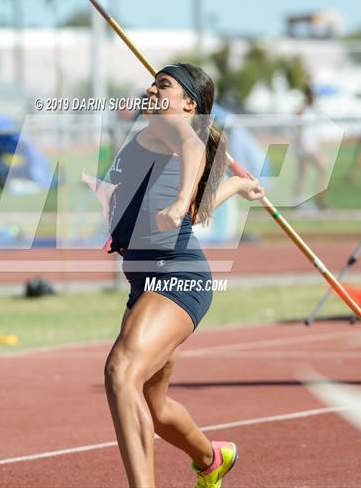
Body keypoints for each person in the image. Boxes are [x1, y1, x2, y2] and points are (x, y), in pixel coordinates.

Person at [87, 63, 264, 487]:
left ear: (189, 104)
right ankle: (210, 458)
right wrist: (237, 187)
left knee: (120, 372)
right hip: (146, 281)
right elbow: (195, 213)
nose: (151, 88)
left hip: (176, 275)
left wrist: (182, 195)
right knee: (156, 406)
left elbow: (192, 148)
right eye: (152, 82)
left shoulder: (179, 130)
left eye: (163, 85)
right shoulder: (152, 136)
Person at [292, 82, 327, 209]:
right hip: (304, 148)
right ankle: (315, 200)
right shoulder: (302, 110)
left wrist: (318, 144)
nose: (314, 96)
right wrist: (306, 147)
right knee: (320, 169)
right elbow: (298, 130)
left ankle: (299, 200)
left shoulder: (314, 109)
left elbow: (315, 130)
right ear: (307, 95)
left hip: (311, 146)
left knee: (303, 174)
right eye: (312, 94)